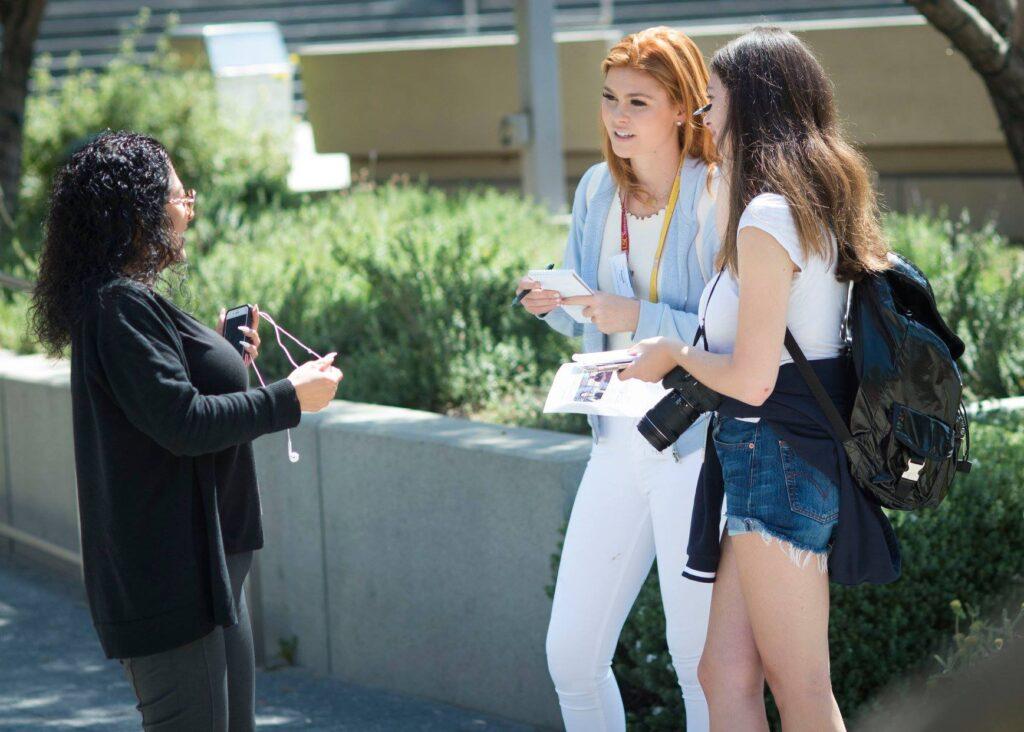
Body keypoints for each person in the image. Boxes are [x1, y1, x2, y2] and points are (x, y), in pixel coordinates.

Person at [621, 27, 900, 731]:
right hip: (769, 456)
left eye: (712, 103)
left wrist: (672, 355)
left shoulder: (770, 216)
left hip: (776, 455)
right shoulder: (788, 205)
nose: (704, 119)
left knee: (800, 687)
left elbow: (750, 378)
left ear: (751, 106)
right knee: (725, 675)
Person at [29, 131, 342, 731]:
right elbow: (181, 423)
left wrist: (224, 355)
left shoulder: (125, 302)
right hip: (174, 583)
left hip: (209, 574)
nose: (189, 207)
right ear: (140, 208)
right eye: (179, 194)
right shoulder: (117, 307)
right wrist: (289, 399)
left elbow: (168, 403)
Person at [517, 26, 722, 731]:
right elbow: (590, 319)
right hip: (616, 437)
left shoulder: (715, 194)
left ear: (681, 108)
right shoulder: (597, 189)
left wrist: (639, 313)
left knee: (701, 663)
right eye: (609, 99)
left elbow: (737, 332)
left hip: (696, 447)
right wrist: (555, 300)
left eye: (638, 101)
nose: (618, 117)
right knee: (571, 657)